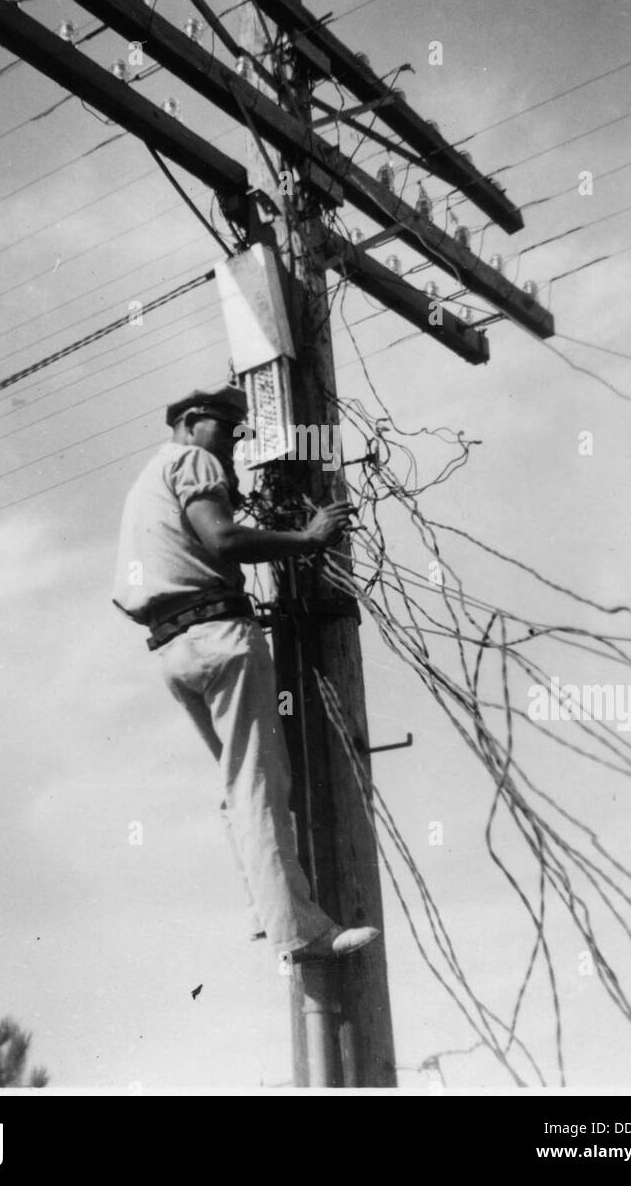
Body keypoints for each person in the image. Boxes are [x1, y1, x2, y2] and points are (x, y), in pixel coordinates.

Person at [113, 383, 380, 964]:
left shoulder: (146, 482)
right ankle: (301, 932)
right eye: (227, 430)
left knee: (238, 785)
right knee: (260, 784)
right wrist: (308, 538)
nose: (232, 445)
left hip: (174, 650)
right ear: (189, 421)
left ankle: (265, 911)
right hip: (218, 637)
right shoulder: (192, 459)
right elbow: (224, 538)